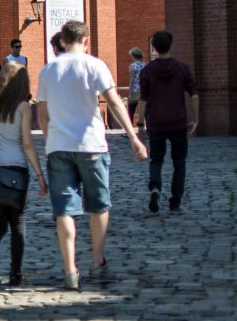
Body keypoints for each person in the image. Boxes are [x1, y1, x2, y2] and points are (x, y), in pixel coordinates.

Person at [36, 20, 148, 291]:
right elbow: (114, 102)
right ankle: (97, 261)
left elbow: (42, 113)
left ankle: (69, 269)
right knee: (98, 205)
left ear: (62, 41)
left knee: (64, 210)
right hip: (92, 146)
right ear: (86, 41)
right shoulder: (95, 65)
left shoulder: (48, 70)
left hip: (60, 147)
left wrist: (50, 139)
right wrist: (133, 137)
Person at [0, 62, 47, 287]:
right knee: (18, 223)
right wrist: (39, 174)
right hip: (15, 168)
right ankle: (15, 274)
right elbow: (27, 143)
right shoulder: (23, 107)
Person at [134, 29, 198, 213]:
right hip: (178, 121)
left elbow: (143, 99)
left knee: (156, 160)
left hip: (156, 122)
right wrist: (195, 118)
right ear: (171, 45)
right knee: (179, 162)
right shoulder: (182, 68)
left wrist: (140, 125)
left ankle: (155, 188)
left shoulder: (147, 70)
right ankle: (175, 201)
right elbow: (194, 95)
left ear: (154, 47)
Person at [126, 47, 148, 122]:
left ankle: (129, 129)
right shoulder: (146, 65)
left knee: (131, 110)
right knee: (145, 109)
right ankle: (148, 127)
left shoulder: (132, 66)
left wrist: (129, 93)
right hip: (144, 89)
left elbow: (132, 80)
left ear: (133, 56)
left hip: (135, 90)